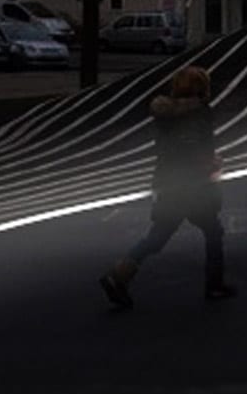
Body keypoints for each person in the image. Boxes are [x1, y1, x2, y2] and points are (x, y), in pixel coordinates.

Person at [100, 64, 234, 307]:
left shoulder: (166, 115)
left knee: (159, 236)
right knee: (213, 232)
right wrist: (210, 163)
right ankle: (214, 285)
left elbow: (167, 148)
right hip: (193, 184)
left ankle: (119, 274)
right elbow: (197, 146)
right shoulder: (200, 113)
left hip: (167, 181)